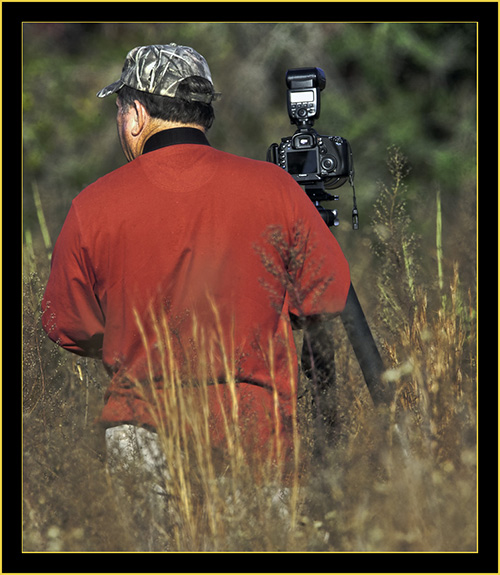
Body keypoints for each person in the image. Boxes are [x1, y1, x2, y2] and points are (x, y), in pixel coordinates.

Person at [41, 43, 350, 547]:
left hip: (143, 427)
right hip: (254, 426)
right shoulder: (275, 188)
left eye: (121, 110)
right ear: (202, 112)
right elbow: (327, 297)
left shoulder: (92, 206)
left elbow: (68, 324)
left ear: (137, 114)